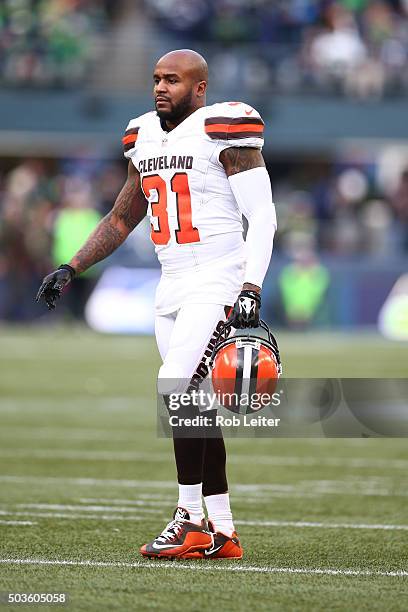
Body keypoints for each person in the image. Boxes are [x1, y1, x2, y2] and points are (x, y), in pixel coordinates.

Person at [36, 49, 277, 560]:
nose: (160, 87)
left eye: (173, 79)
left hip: (217, 278)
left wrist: (250, 287)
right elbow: (122, 218)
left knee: (176, 388)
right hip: (171, 284)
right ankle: (224, 532)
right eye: (156, 79)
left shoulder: (224, 126)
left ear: (201, 87)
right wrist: (72, 267)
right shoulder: (142, 133)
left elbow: (264, 216)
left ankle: (190, 519)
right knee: (197, 408)